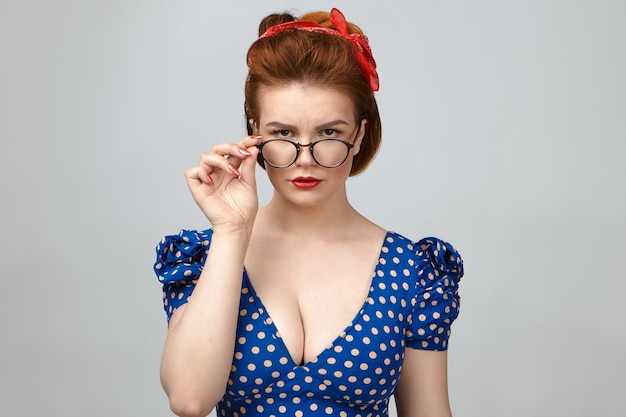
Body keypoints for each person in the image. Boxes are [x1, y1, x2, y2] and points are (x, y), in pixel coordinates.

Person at [153, 8, 464, 417]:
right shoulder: (206, 257)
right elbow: (189, 399)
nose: (305, 159)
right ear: (254, 133)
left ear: (359, 135)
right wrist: (231, 231)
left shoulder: (413, 270)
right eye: (283, 133)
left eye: (329, 133)